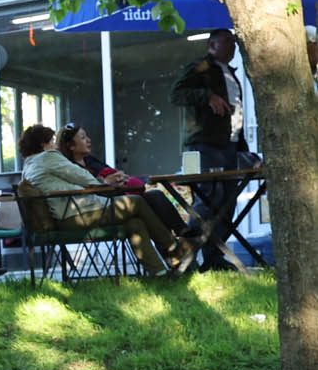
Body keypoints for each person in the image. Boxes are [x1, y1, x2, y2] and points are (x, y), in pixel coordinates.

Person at [19, 124, 194, 274]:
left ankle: (160, 273)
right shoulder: (47, 157)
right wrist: (101, 184)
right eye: (51, 141)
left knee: (135, 223)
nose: (55, 145)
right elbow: (79, 175)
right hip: (78, 214)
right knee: (137, 202)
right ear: (43, 144)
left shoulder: (28, 166)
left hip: (65, 217)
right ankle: (176, 252)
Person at [170, 28, 258, 270]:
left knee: (228, 203)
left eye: (234, 42)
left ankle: (214, 257)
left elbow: (237, 115)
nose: (233, 46)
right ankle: (184, 257)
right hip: (204, 144)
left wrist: (244, 150)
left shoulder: (231, 73)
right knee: (209, 199)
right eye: (227, 42)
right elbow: (176, 94)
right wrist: (207, 96)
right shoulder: (201, 67)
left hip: (230, 145)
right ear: (212, 45)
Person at [58, 123, 200, 244]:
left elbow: (111, 173)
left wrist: (121, 177)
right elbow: (85, 189)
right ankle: (178, 241)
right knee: (153, 201)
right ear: (71, 146)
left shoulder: (90, 160)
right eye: (83, 138)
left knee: (154, 199)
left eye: (87, 136)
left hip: (121, 196)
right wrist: (106, 183)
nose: (88, 140)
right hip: (102, 207)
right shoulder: (69, 168)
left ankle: (179, 241)